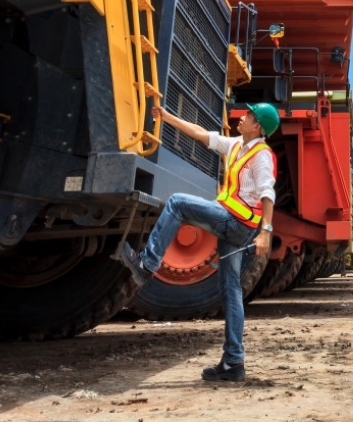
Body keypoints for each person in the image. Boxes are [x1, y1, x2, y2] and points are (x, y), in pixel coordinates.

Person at [116, 101, 279, 383]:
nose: (242, 117)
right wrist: (167, 117)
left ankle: (148, 264)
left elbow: (268, 193)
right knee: (231, 291)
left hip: (237, 223)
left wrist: (266, 231)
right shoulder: (238, 145)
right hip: (234, 223)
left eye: (249, 116)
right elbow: (201, 134)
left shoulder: (262, 155)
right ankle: (233, 363)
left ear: (258, 127)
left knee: (178, 203)